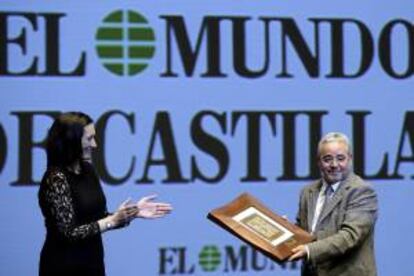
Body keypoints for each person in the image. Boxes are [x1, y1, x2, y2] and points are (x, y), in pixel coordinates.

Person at [38, 112, 172, 276]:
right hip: (64, 266)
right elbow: (69, 233)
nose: (94, 145)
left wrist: (131, 213)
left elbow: (97, 219)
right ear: (71, 140)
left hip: (93, 264)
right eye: (89, 138)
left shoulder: (88, 170)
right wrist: (111, 221)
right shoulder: (56, 178)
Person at [289, 132, 378, 276]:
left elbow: (350, 236)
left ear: (350, 159)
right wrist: (285, 231)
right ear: (318, 162)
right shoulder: (308, 192)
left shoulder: (362, 191)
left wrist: (310, 250)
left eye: (340, 158)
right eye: (327, 159)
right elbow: (304, 232)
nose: (334, 165)